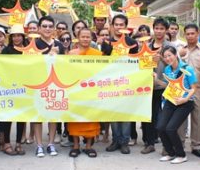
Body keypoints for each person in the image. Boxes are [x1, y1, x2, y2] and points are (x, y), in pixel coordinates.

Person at [104, 14, 138, 154]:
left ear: (126, 26)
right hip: (111, 83)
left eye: (121, 25)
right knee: (113, 113)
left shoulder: (132, 43)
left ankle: (124, 141)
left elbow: (136, 62)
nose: (119, 27)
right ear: (112, 26)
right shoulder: (107, 42)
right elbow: (103, 62)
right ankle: (115, 140)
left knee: (125, 114)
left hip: (127, 82)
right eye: (116, 24)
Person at [156, 46, 196, 164]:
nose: (168, 58)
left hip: (185, 103)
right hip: (171, 101)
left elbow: (194, 88)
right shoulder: (167, 69)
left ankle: (181, 155)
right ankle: (170, 153)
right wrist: (157, 80)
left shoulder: (187, 68)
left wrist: (185, 99)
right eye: (165, 56)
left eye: (170, 55)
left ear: (175, 55)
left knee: (171, 128)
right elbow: (169, 86)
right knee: (160, 127)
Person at [67, 28, 101, 158]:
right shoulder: (71, 53)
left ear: (91, 38)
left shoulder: (97, 54)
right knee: (75, 119)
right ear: (77, 37)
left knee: (91, 118)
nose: (86, 39)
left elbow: (100, 72)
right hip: (75, 90)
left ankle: (88, 146)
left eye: (88, 37)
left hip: (91, 90)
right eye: (83, 37)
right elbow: (67, 70)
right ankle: (76, 145)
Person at [34, 15, 65, 157]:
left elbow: (66, 66)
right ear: (39, 28)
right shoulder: (33, 44)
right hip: (38, 84)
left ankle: (51, 143)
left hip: (55, 85)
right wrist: (48, 54)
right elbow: (28, 64)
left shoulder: (59, 45)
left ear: (54, 29)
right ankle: (39, 145)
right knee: (38, 116)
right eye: (44, 26)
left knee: (53, 115)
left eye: (50, 26)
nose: (47, 29)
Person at [141, 18, 171, 154]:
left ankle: (167, 145)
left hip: (165, 85)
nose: (159, 31)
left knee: (165, 116)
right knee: (149, 115)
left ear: (166, 30)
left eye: (161, 28)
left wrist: (163, 60)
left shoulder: (170, 47)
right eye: (156, 28)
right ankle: (149, 142)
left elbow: (175, 65)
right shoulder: (146, 45)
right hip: (148, 86)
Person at [179, 24, 200, 158]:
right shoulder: (179, 50)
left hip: (198, 89)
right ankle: (180, 144)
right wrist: (179, 56)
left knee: (197, 118)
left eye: (192, 33)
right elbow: (172, 65)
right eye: (187, 34)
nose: (190, 36)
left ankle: (196, 146)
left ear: (198, 34)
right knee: (181, 118)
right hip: (182, 89)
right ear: (185, 35)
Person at [0, 24, 28, 156]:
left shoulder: (29, 50)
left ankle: (18, 143)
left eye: (19, 35)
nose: (16, 38)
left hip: (25, 87)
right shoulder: (6, 50)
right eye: (14, 36)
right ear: (11, 37)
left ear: (23, 36)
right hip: (9, 87)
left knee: (21, 116)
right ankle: (6, 143)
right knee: (8, 116)